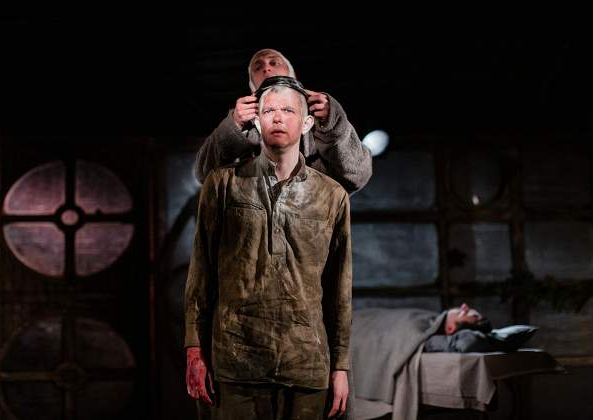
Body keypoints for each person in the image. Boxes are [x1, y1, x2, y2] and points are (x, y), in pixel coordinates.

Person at [185, 75, 353, 419]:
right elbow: (200, 273)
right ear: (257, 122)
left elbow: (340, 287)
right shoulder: (223, 184)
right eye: (269, 110)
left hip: (306, 362)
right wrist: (194, 350)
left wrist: (341, 365)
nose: (278, 117)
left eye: (288, 110)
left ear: (307, 123)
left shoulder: (332, 195)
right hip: (234, 360)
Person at [194, 48, 372, 194]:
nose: (266, 68)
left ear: (292, 76)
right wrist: (234, 127)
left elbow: (356, 176)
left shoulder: (320, 122)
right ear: (252, 87)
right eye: (258, 67)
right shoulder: (244, 127)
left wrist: (333, 124)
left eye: (274, 63)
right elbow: (205, 175)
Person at [350, 303, 492, 420]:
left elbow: (467, 342)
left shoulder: (425, 331)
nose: (464, 306)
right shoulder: (427, 317)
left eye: (464, 313)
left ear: (450, 329)